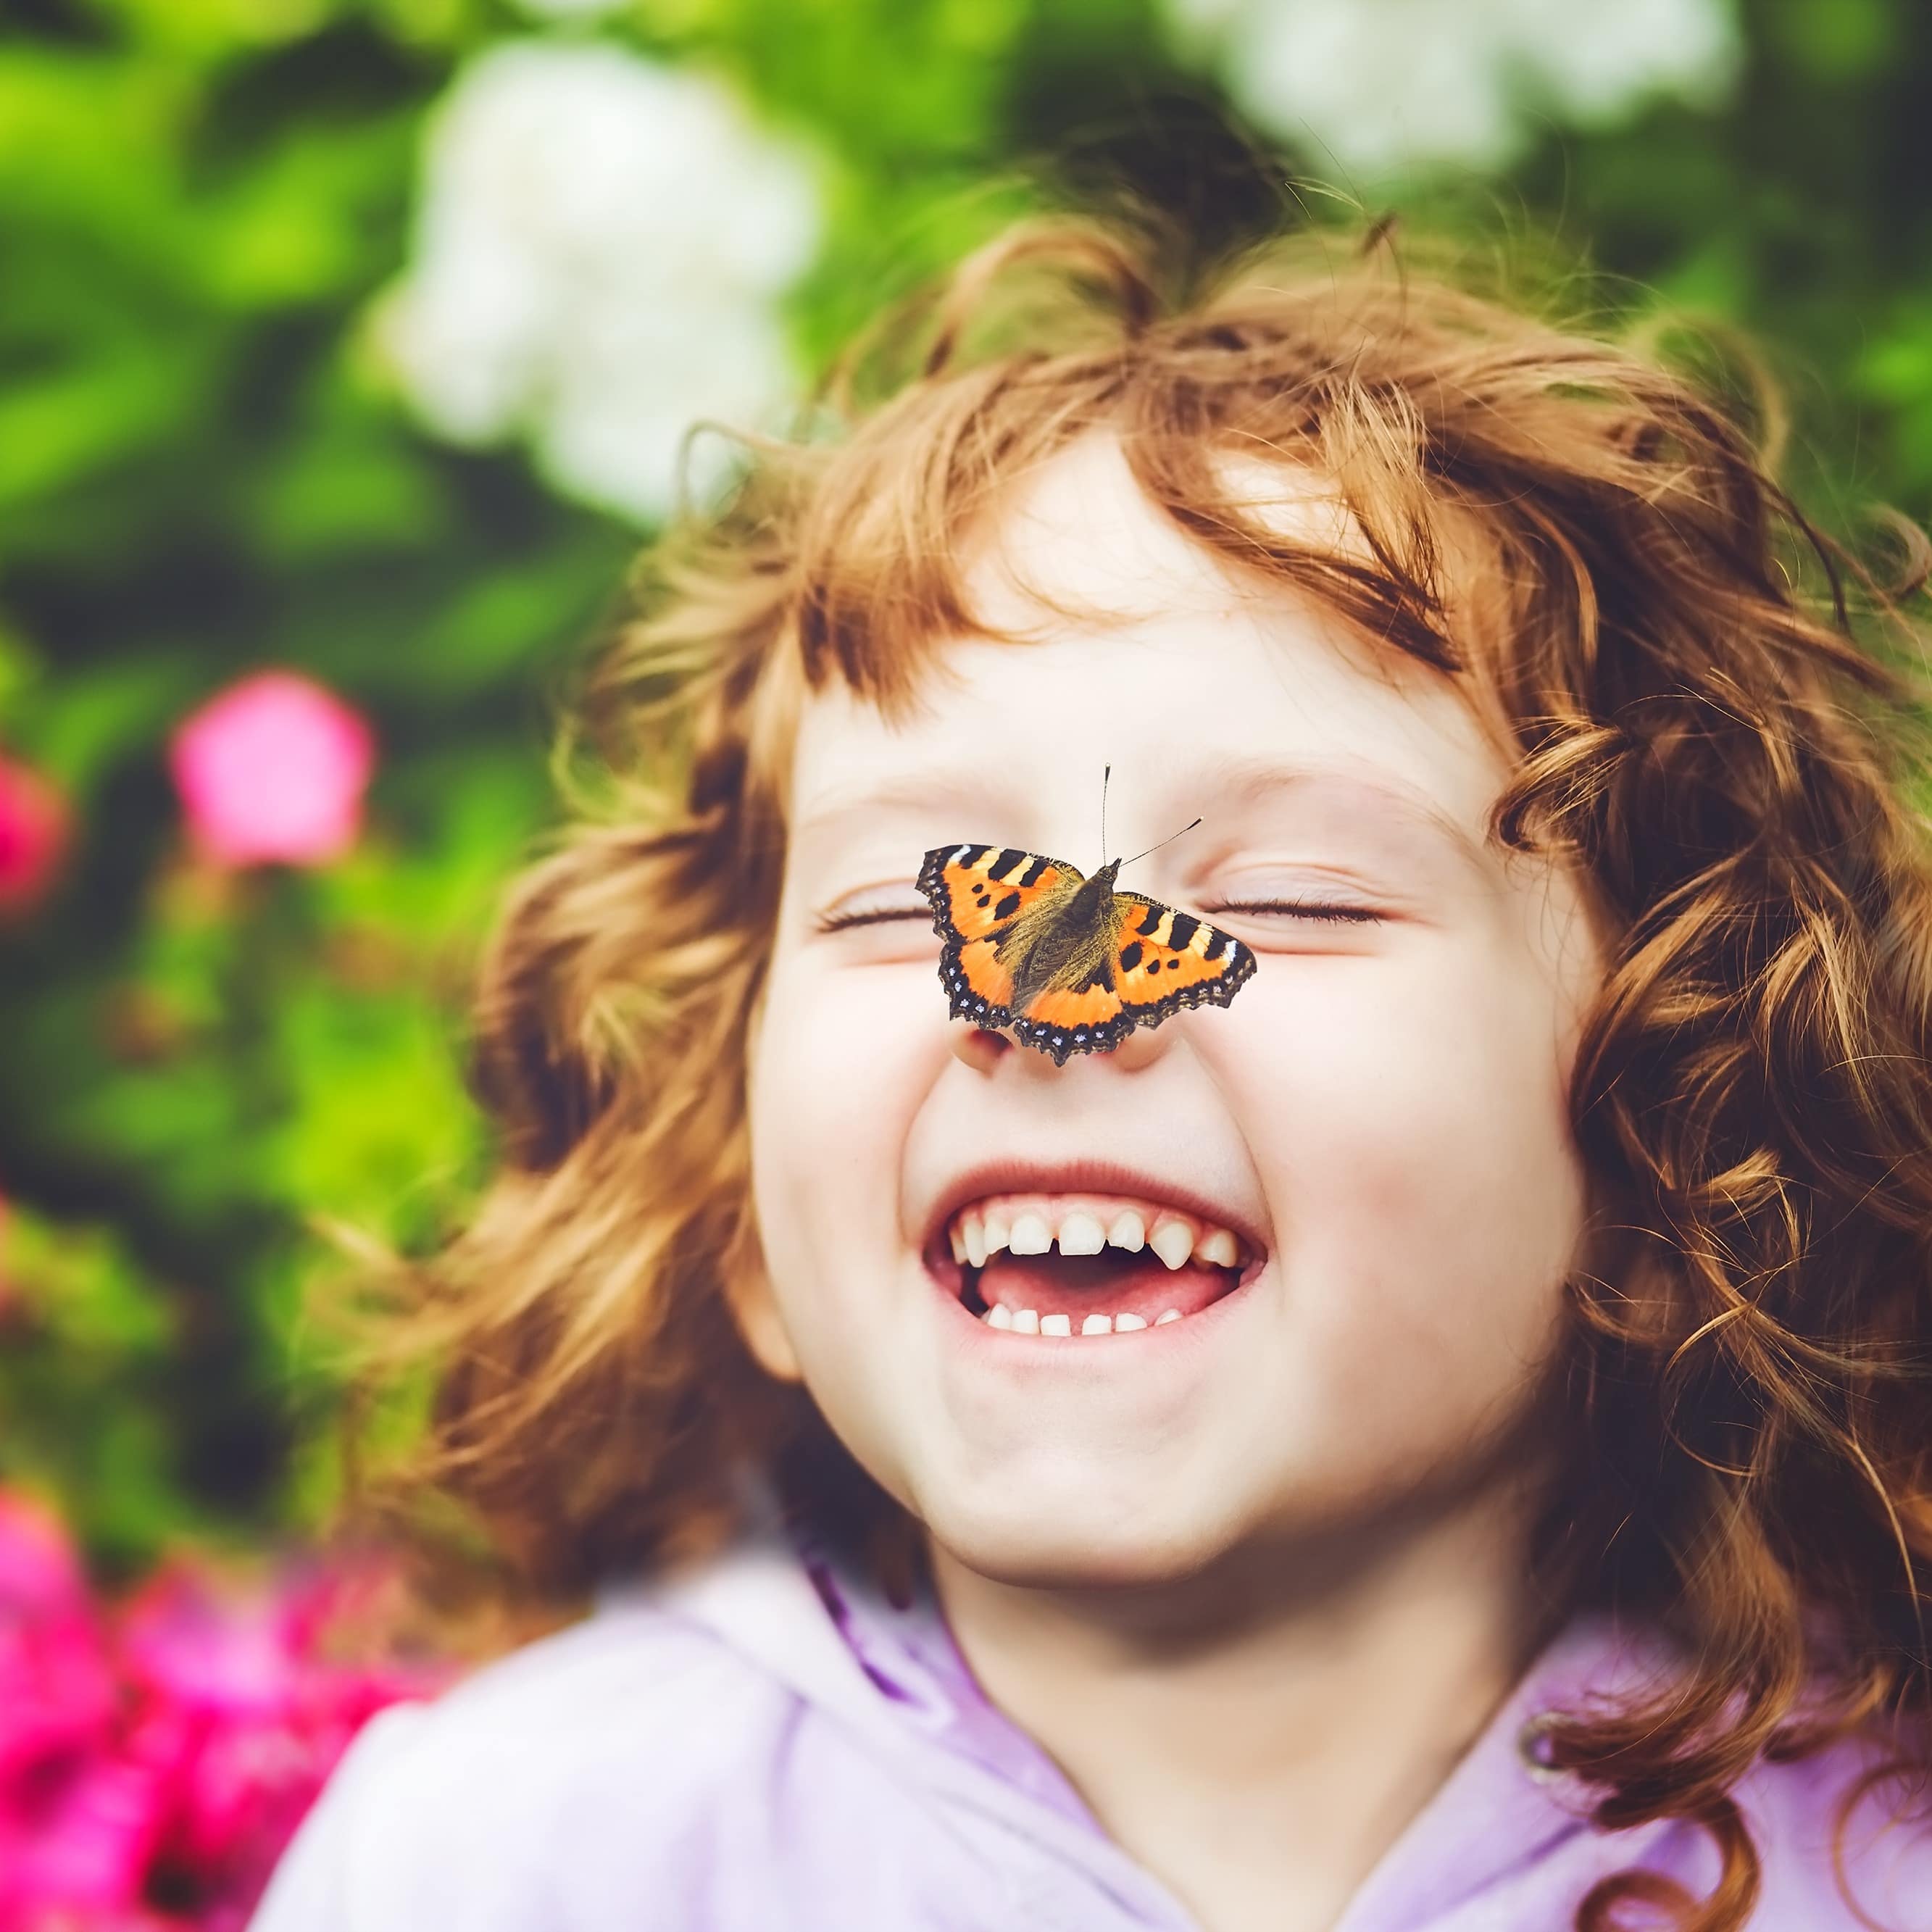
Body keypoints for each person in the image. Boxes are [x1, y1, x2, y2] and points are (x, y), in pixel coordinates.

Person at [249, 208, 1932, 1932]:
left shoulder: (1877, 1864)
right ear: (737, 1212)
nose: (1050, 1003)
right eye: (919, 903)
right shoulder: (516, 1861)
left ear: (1679, 1155)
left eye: (1291, 896)